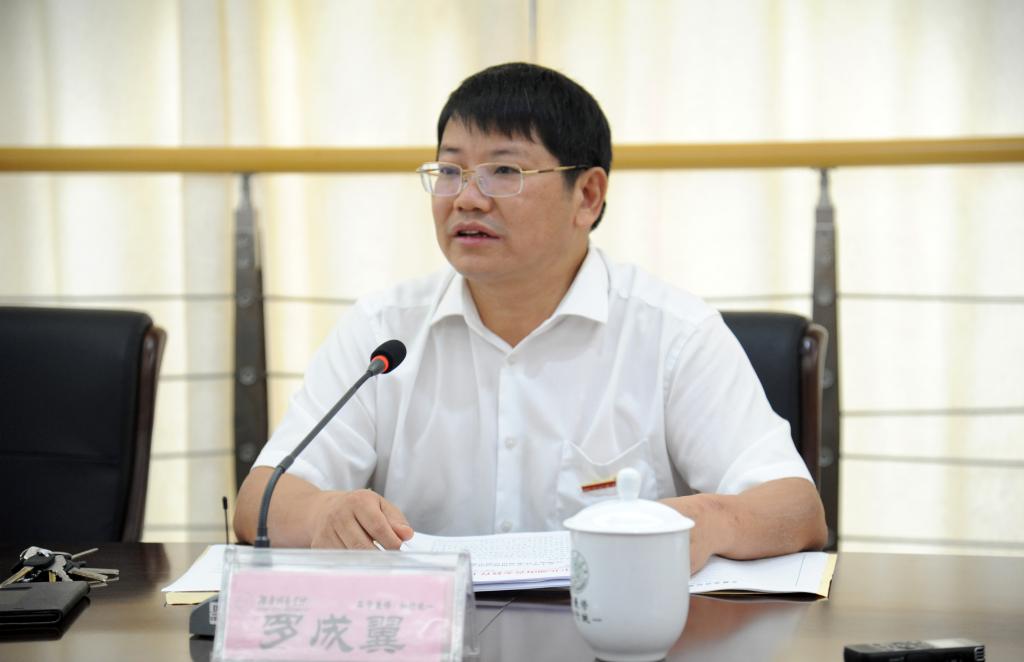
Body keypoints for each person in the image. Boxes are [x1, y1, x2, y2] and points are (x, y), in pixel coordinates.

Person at [234, 62, 827, 572]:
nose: (467, 197)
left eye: (505, 172)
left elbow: (797, 510)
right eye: (450, 171)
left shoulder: (672, 333)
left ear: (587, 196)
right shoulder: (383, 333)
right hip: (432, 638)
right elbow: (262, 498)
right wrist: (324, 512)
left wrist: (708, 518)